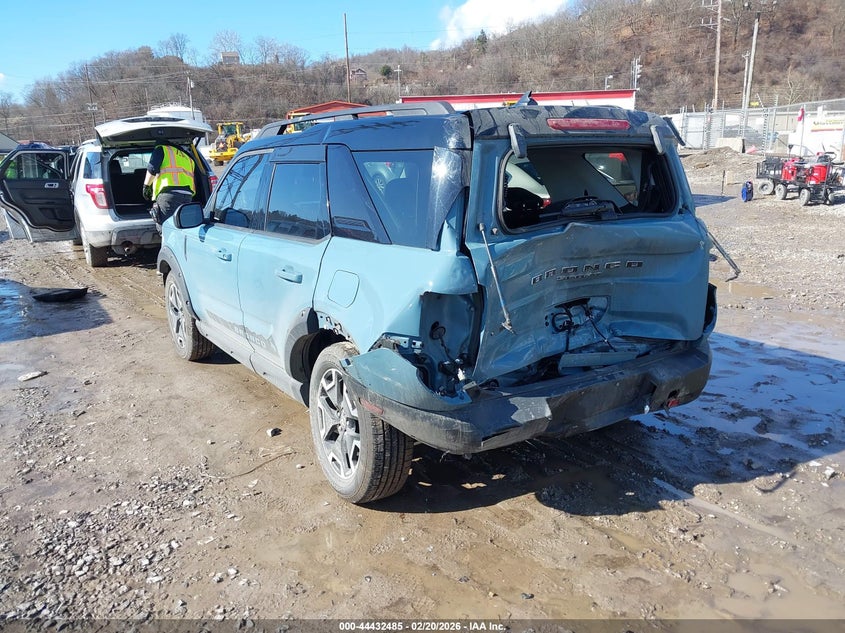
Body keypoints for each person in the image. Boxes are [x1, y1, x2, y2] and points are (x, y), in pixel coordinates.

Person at [142, 144, 196, 232]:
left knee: (167, 229)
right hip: (187, 196)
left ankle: (169, 245)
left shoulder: (161, 149)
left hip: (169, 195)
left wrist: (146, 186)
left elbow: (152, 169)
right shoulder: (187, 157)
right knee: (183, 228)